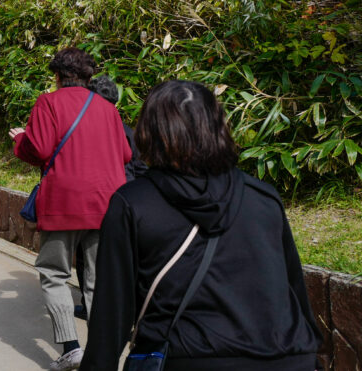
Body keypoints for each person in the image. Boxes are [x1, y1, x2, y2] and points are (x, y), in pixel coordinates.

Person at [81, 80, 321, 371]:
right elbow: (293, 292)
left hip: (190, 357)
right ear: (218, 127)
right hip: (289, 356)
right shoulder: (263, 197)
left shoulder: (133, 203)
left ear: (150, 131)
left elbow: (112, 314)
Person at [11, 48, 132, 371]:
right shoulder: (108, 108)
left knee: (54, 273)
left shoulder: (48, 103)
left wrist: (20, 139)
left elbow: (39, 148)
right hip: (107, 201)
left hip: (64, 202)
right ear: (89, 76)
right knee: (96, 280)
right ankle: (102, 353)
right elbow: (125, 154)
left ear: (57, 75)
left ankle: (71, 347)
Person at [73, 74, 148, 321]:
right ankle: (126, 309)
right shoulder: (129, 133)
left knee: (87, 256)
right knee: (123, 259)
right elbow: (141, 170)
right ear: (116, 101)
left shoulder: (86, 131)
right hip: (127, 204)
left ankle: (88, 304)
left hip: (95, 203)